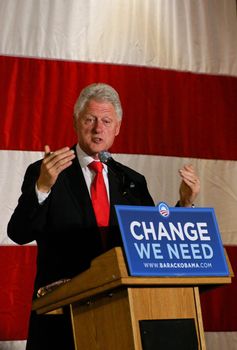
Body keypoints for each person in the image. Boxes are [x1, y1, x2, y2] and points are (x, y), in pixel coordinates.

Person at [7, 83, 200, 349]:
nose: (99, 128)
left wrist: (184, 204)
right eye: (90, 119)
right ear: (76, 121)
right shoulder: (47, 172)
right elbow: (18, 233)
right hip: (61, 319)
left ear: (117, 128)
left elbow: (156, 244)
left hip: (120, 315)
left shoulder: (131, 181)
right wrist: (42, 187)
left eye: (107, 121)